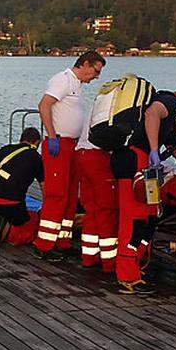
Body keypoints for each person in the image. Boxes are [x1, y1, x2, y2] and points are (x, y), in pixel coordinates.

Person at [111, 90, 176, 293]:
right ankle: (126, 276)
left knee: (149, 217)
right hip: (132, 159)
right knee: (133, 219)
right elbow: (152, 114)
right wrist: (154, 150)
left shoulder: (173, 127)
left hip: (145, 163)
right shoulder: (169, 101)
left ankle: (135, 267)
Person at [34, 51, 105, 261]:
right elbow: (44, 105)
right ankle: (43, 244)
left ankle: (61, 240)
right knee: (57, 194)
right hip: (59, 144)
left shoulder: (77, 86)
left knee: (71, 194)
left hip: (72, 145)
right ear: (84, 64)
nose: (96, 76)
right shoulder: (62, 80)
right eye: (95, 71)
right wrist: (52, 135)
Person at [0, 127, 45, 249]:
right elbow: (43, 186)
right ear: (37, 143)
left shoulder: (4, 150)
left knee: (3, 203)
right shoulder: (36, 157)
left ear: (21, 139)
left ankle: (0, 224)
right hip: (12, 205)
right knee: (23, 221)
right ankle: (5, 223)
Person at [74, 108, 118, 272]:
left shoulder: (97, 104)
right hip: (98, 157)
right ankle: (109, 262)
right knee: (107, 210)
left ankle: (89, 257)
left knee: (91, 209)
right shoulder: (119, 108)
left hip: (81, 153)